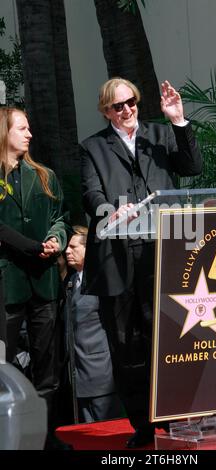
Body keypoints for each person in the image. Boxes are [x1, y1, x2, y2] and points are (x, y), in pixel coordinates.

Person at [80, 78, 202, 448]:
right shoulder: (93, 147)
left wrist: (179, 121)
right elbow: (90, 194)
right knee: (128, 345)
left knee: (167, 337)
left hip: (162, 252)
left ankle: (176, 415)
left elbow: (192, 166)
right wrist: (114, 212)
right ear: (106, 111)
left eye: (131, 102)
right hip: (119, 258)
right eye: (118, 106)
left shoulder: (159, 135)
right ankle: (144, 425)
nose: (127, 110)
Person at [0, 106, 69, 449]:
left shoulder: (45, 175)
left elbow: (60, 216)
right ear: (5, 132)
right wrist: (33, 247)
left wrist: (57, 239)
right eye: (22, 128)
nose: (29, 134)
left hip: (44, 283)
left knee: (48, 370)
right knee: (5, 364)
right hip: (8, 285)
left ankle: (45, 437)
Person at [64, 225, 123, 423]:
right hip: (77, 376)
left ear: (88, 249)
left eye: (73, 247)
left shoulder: (102, 280)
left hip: (101, 375)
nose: (67, 251)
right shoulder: (71, 281)